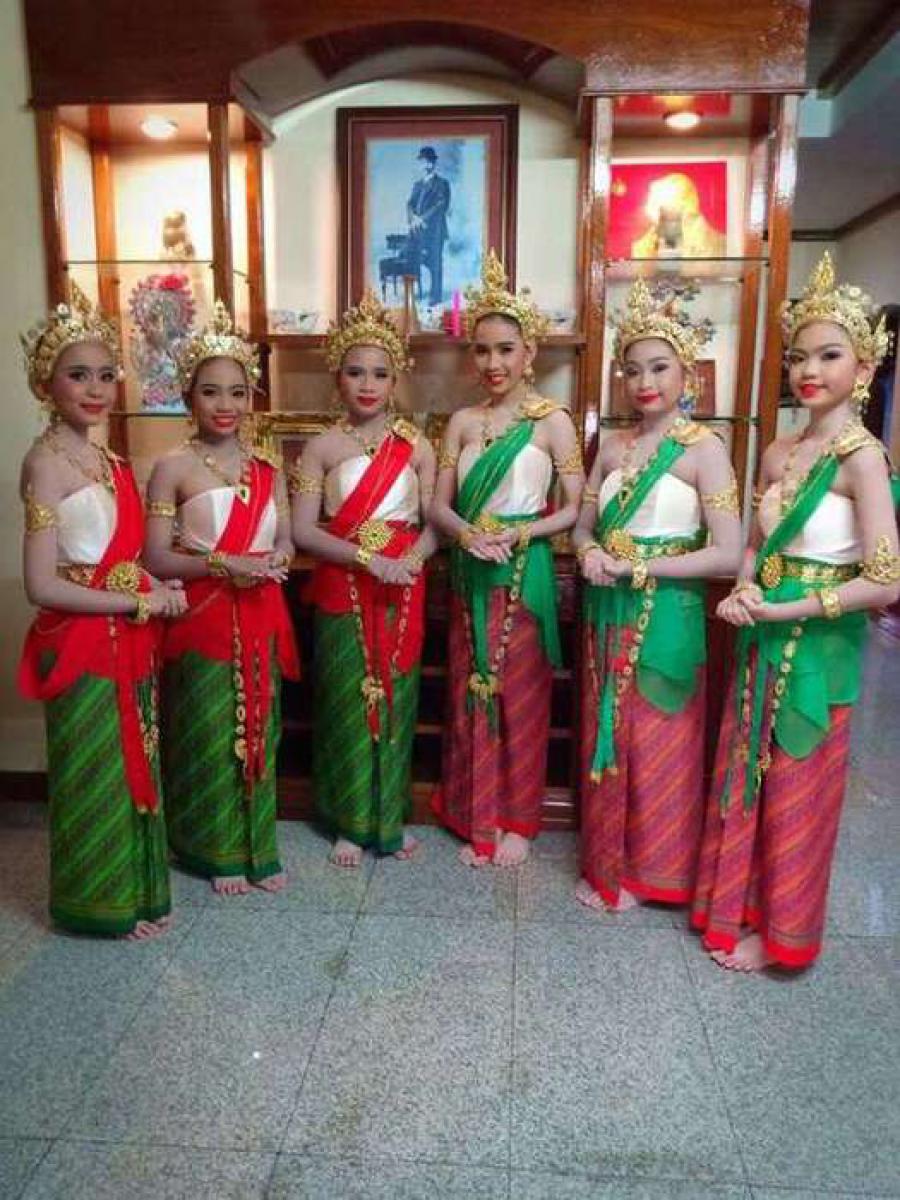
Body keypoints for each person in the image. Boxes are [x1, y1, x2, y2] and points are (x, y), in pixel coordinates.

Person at [691, 253, 900, 971]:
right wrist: (746, 588)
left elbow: (885, 581)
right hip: (762, 631)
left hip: (818, 643)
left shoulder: (863, 458)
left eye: (829, 355)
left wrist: (789, 610)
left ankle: (784, 933)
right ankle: (733, 907)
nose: (809, 369)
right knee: (746, 768)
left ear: (864, 367)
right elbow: (757, 542)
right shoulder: (781, 450)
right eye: (799, 356)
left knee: (799, 785)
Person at [18, 287, 187, 937]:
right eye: (78, 375)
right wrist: (138, 600)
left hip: (127, 633)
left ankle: (137, 893)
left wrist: (153, 585)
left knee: (136, 755)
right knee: (95, 768)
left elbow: (121, 557)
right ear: (46, 384)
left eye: (106, 375)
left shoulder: (110, 461)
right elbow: (42, 585)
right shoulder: (45, 465)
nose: (95, 389)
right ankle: (97, 905)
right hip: (80, 640)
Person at [573, 280, 742, 912]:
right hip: (606, 608)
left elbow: (728, 553)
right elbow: (583, 528)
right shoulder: (612, 448)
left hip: (667, 612)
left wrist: (637, 567)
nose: (645, 381)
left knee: (660, 738)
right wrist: (590, 555)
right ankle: (607, 864)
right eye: (633, 369)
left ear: (686, 373)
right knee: (608, 731)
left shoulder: (705, 450)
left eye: (660, 367)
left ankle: (654, 873)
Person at [429, 251, 583, 867]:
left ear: (530, 353)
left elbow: (576, 509)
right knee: (470, 691)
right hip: (470, 567)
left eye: (506, 350)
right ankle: (475, 813)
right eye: (482, 350)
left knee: (521, 696)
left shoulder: (553, 422)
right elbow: (437, 506)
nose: (493, 363)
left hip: (525, 570)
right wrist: (467, 535)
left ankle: (517, 817)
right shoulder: (462, 422)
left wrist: (521, 535)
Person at [144, 302, 299, 895]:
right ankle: (212, 848)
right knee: (208, 731)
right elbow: (156, 558)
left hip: (261, 612)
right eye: (210, 391)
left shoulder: (268, 467)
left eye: (237, 391)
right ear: (188, 396)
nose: (225, 404)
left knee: (263, 728)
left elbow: (285, 540)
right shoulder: (172, 467)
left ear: (251, 396)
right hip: (203, 616)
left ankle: (259, 844)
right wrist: (222, 563)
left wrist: (277, 558)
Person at [291, 290, 436, 867]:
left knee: (398, 696)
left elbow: (434, 523)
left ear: (396, 379)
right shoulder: (320, 447)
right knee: (345, 699)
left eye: (380, 373)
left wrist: (413, 560)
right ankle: (348, 819)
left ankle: (389, 815)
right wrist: (367, 559)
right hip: (343, 581)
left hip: (404, 582)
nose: (367, 384)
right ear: (338, 378)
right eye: (355, 372)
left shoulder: (417, 446)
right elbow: (303, 530)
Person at [407, 146, 451, 307]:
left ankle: (436, 295)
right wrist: (413, 219)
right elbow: (409, 204)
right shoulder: (417, 184)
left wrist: (422, 219)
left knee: (435, 263)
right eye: (423, 161)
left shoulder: (442, 183)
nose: (425, 164)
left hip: (435, 230)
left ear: (433, 163)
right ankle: (416, 293)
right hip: (417, 230)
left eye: (428, 161)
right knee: (413, 259)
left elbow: (441, 205)